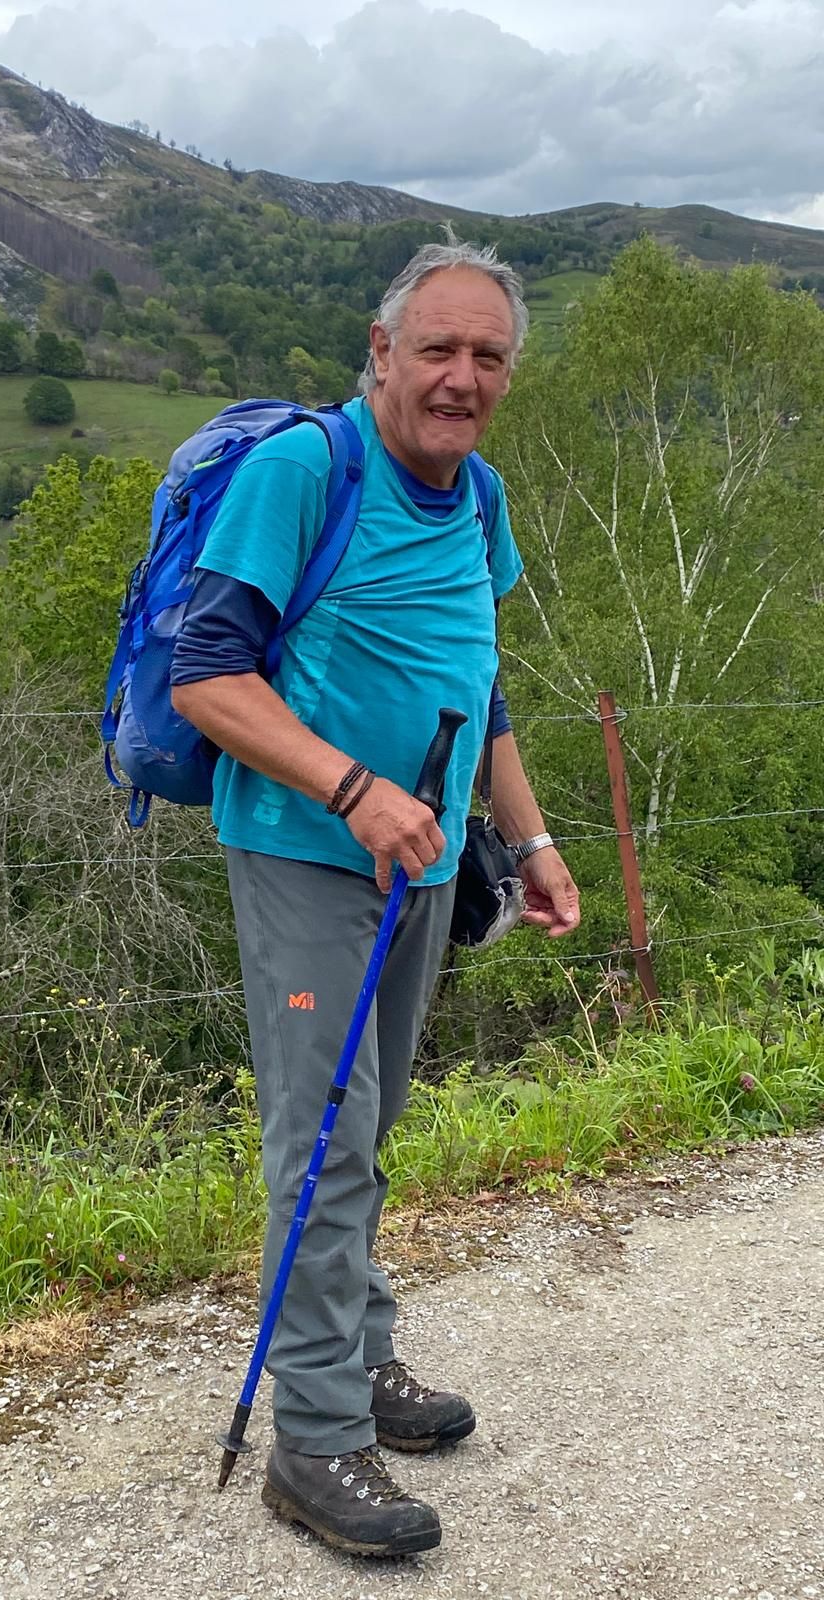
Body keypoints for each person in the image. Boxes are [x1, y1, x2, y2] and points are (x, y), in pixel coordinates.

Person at [170, 239, 581, 1559]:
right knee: (324, 1141)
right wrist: (354, 790)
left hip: (424, 853)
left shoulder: (479, 496)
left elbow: (479, 683)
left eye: (488, 356)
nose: (461, 377)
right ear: (384, 349)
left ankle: (362, 1352)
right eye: (439, 350)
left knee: (371, 1120)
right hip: (311, 849)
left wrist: (527, 842)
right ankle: (318, 1438)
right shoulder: (308, 472)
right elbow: (208, 675)